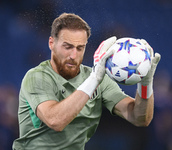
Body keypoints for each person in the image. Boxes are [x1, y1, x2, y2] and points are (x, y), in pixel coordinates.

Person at [12, 13, 161, 150]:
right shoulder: (37, 77)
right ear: (51, 43)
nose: (73, 55)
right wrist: (94, 79)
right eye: (68, 47)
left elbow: (140, 118)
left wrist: (145, 83)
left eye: (80, 48)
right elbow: (55, 121)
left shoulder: (97, 78)